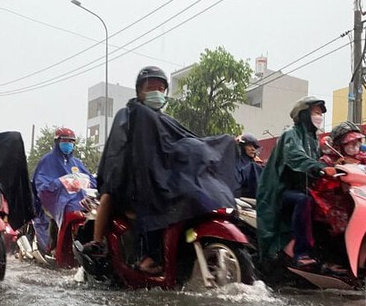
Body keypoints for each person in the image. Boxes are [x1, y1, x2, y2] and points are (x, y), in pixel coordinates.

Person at [84, 66, 236, 275]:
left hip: (157, 178)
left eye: (161, 88)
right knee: (109, 195)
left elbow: (182, 143)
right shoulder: (129, 115)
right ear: (139, 91)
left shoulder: (165, 120)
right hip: (129, 181)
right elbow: (117, 152)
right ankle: (98, 242)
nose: (157, 92)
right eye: (151, 88)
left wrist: (211, 147)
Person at [256, 96, 336, 270]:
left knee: (329, 205)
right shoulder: (290, 135)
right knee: (304, 200)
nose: (319, 116)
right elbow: (296, 157)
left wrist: (336, 165)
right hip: (279, 190)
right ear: (304, 114)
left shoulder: (313, 139)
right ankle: (301, 253)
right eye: (315, 112)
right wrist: (320, 168)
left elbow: (320, 161)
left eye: (320, 113)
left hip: (301, 189)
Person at [32, 127, 96, 253]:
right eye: (65, 141)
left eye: (71, 141)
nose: (68, 144)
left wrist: (88, 183)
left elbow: (91, 180)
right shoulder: (47, 160)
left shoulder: (77, 163)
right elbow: (41, 184)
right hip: (54, 200)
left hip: (79, 200)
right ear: (57, 142)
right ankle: (54, 247)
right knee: (68, 209)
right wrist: (59, 182)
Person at [235, 133, 263, 198]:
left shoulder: (257, 163)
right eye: (250, 146)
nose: (253, 149)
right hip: (242, 196)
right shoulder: (235, 162)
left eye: (254, 147)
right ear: (242, 147)